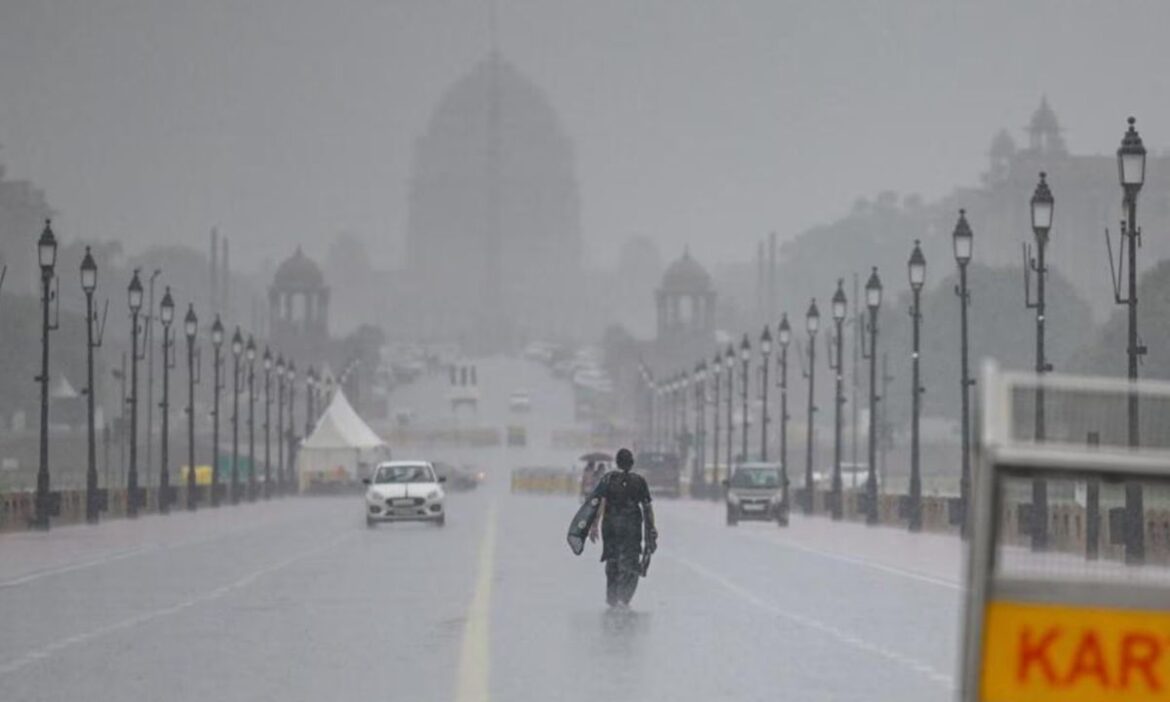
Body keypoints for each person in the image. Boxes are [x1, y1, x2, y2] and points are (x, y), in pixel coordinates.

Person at [587, 448, 657, 608]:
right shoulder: (639, 481)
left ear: (617, 462)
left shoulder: (608, 479)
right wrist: (651, 528)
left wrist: (594, 525)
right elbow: (647, 507)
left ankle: (612, 596)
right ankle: (625, 597)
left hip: (611, 526)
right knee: (632, 561)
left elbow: (601, 502)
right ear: (631, 463)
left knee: (612, 559)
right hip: (632, 527)